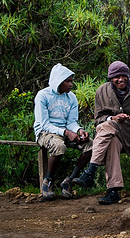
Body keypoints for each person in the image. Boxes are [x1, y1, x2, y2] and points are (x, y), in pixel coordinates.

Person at [72, 61, 130, 205]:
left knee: (108, 126)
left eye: (124, 76)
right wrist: (113, 118)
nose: (121, 79)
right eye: (116, 77)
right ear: (111, 78)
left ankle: (90, 170)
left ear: (128, 76)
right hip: (111, 135)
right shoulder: (101, 91)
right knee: (112, 141)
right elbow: (98, 120)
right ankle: (113, 191)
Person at [33, 63, 93, 200]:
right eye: (67, 81)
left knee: (91, 145)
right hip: (45, 132)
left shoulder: (71, 97)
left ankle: (69, 181)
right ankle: (48, 181)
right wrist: (66, 132)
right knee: (59, 146)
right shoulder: (43, 95)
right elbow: (44, 124)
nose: (71, 84)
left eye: (71, 81)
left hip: (65, 131)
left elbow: (72, 121)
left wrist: (79, 130)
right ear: (58, 82)